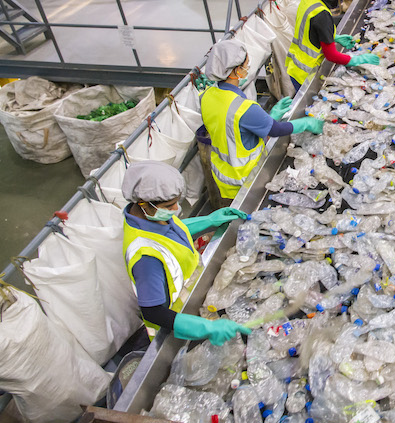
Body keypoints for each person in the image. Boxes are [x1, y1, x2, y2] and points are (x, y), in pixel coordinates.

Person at [122, 160, 251, 344]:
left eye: (176, 203)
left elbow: (172, 232)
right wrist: (206, 328)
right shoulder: (146, 258)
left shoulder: (150, 218)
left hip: (197, 296)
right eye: (169, 206)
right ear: (143, 204)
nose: (176, 210)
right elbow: (153, 312)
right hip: (179, 324)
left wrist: (209, 220)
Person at [201, 39, 323, 200]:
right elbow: (276, 130)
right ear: (235, 71)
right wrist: (306, 123)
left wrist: (269, 117)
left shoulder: (207, 95)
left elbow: (233, 128)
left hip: (223, 174)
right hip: (247, 178)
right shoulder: (243, 107)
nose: (247, 68)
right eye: (246, 65)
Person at [286, 0, 380, 90]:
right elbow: (331, 55)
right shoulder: (321, 13)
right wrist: (357, 60)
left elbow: (309, 29)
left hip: (295, 67)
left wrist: (334, 37)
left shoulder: (307, 0)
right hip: (306, 74)